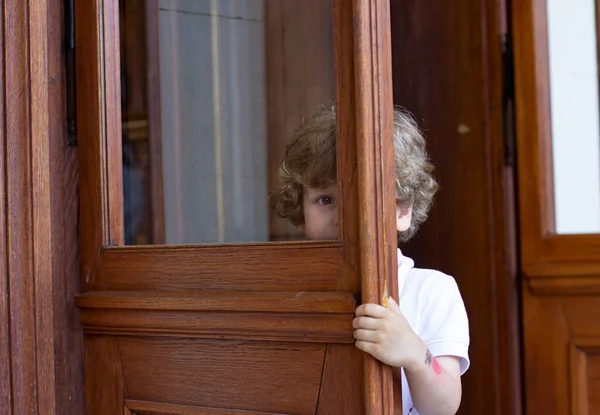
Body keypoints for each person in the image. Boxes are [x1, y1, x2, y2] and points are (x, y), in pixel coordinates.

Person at [269, 103, 470, 414]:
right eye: (326, 199)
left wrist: (415, 355)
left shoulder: (432, 290)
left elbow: (443, 407)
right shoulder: (288, 289)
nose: (343, 216)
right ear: (300, 211)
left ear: (403, 210)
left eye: (364, 196)